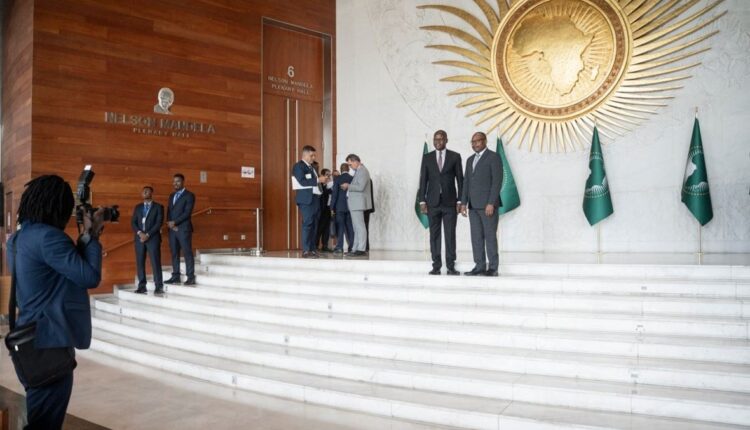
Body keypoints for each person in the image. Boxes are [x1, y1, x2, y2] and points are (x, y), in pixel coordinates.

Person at [7, 175, 104, 430]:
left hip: (28, 339)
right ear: (57, 207)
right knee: (45, 423)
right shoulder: (49, 238)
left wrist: (84, 239)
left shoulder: (17, 239)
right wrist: (92, 235)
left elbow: (52, 275)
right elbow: (89, 277)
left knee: (40, 416)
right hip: (50, 342)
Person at [418, 130, 464, 275]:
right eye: (435, 139)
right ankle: (436, 266)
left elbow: (460, 180)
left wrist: (460, 200)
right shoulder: (427, 157)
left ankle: (450, 266)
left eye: (441, 139)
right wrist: (422, 201)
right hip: (432, 203)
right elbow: (423, 180)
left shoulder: (455, 156)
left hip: (450, 203)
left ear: (446, 140)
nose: (438, 142)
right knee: (434, 235)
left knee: (450, 235)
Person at [460, 132, 503, 277]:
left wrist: (491, 203)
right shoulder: (469, 160)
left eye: (477, 141)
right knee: (476, 238)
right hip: (473, 206)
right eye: (472, 142)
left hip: (487, 206)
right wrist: (464, 203)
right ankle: (479, 266)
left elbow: (497, 182)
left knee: (490, 237)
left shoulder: (493, 157)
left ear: (485, 141)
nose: (475, 144)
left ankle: (493, 268)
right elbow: (466, 182)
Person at [292, 145, 326, 258]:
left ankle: (312, 249)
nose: (313, 158)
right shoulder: (298, 166)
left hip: (315, 199)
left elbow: (314, 182)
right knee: (308, 224)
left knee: (315, 225)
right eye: (312, 155)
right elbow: (302, 181)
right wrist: (318, 180)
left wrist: (322, 181)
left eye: (314, 155)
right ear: (305, 155)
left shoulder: (312, 168)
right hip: (306, 200)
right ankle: (306, 250)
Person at [131, 186, 164, 294]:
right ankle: (142, 286)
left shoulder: (158, 207)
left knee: (155, 262)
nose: (145, 192)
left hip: (153, 238)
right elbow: (133, 222)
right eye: (143, 191)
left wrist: (148, 234)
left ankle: (158, 286)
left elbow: (159, 223)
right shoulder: (138, 207)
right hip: (139, 239)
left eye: (147, 191)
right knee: (140, 263)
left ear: (151, 193)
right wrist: (140, 233)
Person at [165, 173, 196, 285]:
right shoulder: (171, 195)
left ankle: (190, 277)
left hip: (183, 229)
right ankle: (176, 276)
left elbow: (187, 213)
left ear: (183, 182)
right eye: (174, 181)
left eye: (178, 181)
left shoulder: (189, 195)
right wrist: (169, 223)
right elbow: (169, 211)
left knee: (187, 252)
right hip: (172, 230)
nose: (175, 183)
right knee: (174, 253)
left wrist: (175, 223)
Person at [340, 154, 372, 257]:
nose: (350, 167)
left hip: (358, 203)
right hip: (355, 203)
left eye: (350, 164)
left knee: (360, 227)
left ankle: (361, 248)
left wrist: (348, 186)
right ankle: (355, 248)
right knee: (356, 227)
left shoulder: (363, 171)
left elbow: (361, 187)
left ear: (355, 161)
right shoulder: (359, 171)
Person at [331, 163, 354, 254]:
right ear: (348, 169)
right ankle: (352, 247)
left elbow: (335, 194)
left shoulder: (337, 179)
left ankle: (339, 247)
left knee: (340, 227)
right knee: (350, 227)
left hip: (339, 207)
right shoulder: (352, 178)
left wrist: (332, 207)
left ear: (341, 170)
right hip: (350, 206)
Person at [316, 168, 334, 252]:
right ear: (322, 175)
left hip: (328, 209)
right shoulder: (319, 185)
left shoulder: (330, 185)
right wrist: (327, 186)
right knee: (319, 228)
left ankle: (325, 246)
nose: (329, 177)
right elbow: (321, 194)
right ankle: (315, 245)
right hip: (321, 209)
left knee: (327, 228)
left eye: (330, 175)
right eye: (327, 175)